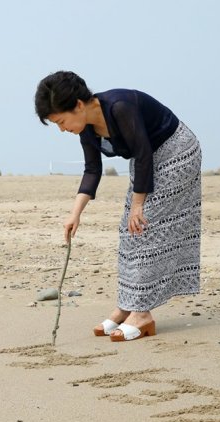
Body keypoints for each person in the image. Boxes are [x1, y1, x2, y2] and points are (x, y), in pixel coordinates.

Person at [34, 70, 202, 342]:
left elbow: (145, 152)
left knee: (145, 226)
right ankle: (127, 305)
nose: (62, 129)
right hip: (147, 158)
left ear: (78, 105)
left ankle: (143, 314)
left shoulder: (119, 107)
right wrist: (74, 215)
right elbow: (92, 171)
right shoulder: (86, 128)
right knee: (128, 231)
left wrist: (139, 205)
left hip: (176, 151)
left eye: (61, 121)